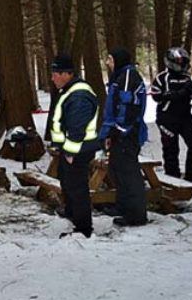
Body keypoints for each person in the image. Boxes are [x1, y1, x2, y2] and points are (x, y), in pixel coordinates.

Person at [48, 54, 99, 238]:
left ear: (66, 74)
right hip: (71, 149)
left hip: (78, 150)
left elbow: (77, 127)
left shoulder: (79, 95)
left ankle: (84, 228)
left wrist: (70, 151)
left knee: (78, 188)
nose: (52, 78)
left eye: (55, 74)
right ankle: (71, 213)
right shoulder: (70, 91)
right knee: (68, 183)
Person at [100, 48, 148, 227]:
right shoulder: (119, 77)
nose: (108, 63)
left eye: (110, 59)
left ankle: (136, 214)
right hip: (118, 131)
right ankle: (122, 206)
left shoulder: (128, 77)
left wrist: (119, 129)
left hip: (127, 133)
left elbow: (127, 107)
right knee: (116, 169)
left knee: (129, 172)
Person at [149, 47, 192, 185]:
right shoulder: (162, 78)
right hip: (167, 118)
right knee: (171, 149)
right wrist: (177, 94)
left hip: (185, 117)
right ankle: (172, 178)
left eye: (184, 62)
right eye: (179, 62)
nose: (182, 64)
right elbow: (156, 96)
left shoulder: (187, 77)